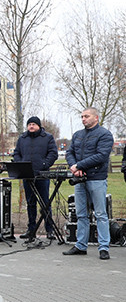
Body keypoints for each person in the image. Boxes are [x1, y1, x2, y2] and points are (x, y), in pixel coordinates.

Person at [64, 107, 113, 260]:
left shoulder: (105, 135)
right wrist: (75, 167)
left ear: (96, 117)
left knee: (100, 214)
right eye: (82, 116)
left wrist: (80, 166)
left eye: (86, 116)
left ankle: (104, 247)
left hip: (97, 178)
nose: (83, 119)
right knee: (81, 214)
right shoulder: (77, 135)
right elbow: (69, 152)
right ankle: (80, 245)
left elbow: (101, 155)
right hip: (80, 179)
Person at [12, 116, 58, 240]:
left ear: (38, 126)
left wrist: (44, 164)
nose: (31, 126)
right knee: (30, 203)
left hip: (42, 175)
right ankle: (31, 229)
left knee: (45, 203)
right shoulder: (22, 138)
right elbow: (16, 153)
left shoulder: (47, 138)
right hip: (27, 175)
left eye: (33, 124)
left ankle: (50, 230)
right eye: (29, 124)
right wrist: (20, 163)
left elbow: (53, 153)